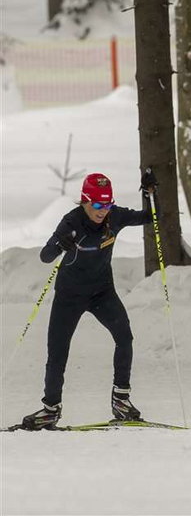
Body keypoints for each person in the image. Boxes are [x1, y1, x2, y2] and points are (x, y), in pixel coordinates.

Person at [21, 169, 158, 430]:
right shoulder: (71, 222)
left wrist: (151, 194)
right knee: (58, 352)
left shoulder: (115, 217)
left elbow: (152, 217)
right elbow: (45, 256)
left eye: (107, 204)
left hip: (101, 292)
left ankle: (121, 400)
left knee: (125, 337)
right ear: (84, 200)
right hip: (69, 296)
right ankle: (50, 409)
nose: (102, 210)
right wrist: (60, 244)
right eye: (96, 204)